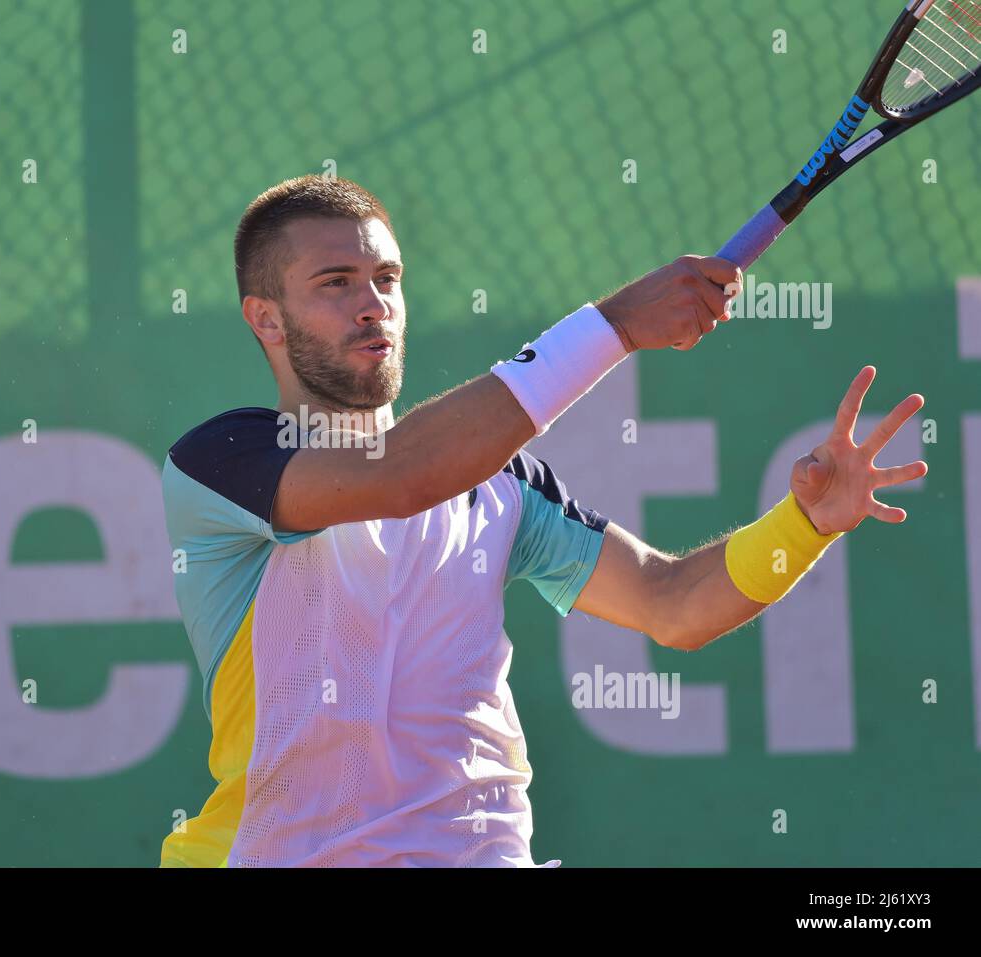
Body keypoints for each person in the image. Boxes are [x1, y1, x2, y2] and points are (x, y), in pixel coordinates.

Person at [159, 175, 926, 867]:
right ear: (266, 318)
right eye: (336, 282)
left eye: (386, 278)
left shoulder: (502, 489)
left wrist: (804, 525)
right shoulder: (224, 463)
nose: (373, 304)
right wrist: (615, 324)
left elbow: (671, 603)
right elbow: (396, 476)